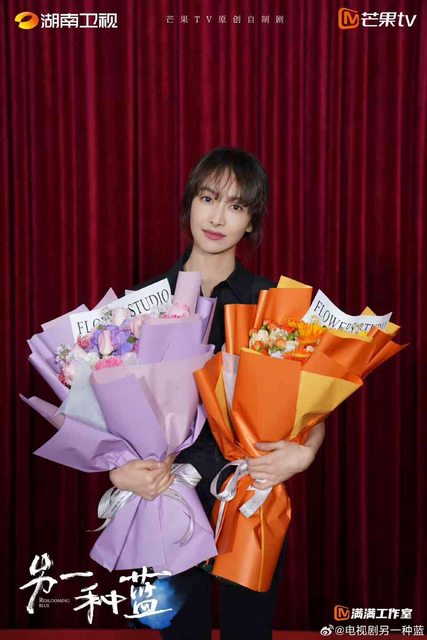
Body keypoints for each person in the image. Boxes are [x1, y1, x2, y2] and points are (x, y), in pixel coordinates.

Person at [110, 147, 325, 639]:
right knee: (177, 631)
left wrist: (304, 453)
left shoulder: (273, 303)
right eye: (208, 198)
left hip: (249, 491)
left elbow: (310, 406)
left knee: (250, 629)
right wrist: (118, 468)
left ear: (251, 222)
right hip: (165, 490)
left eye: (236, 205)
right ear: (189, 203)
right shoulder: (143, 301)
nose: (217, 217)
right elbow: (110, 405)